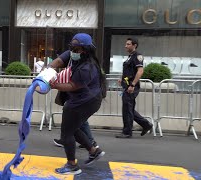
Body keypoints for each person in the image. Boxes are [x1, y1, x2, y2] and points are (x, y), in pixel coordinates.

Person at [49, 33, 105, 175]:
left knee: (67, 132)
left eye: (77, 49)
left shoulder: (87, 67)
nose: (73, 52)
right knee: (74, 128)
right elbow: (57, 62)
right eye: (72, 48)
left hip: (84, 102)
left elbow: (72, 85)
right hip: (84, 100)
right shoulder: (74, 54)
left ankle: (72, 165)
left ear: (85, 50)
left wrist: (54, 85)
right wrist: (47, 71)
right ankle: (94, 151)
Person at [115, 37, 153, 138]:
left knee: (127, 109)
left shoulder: (137, 56)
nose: (125, 46)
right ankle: (146, 124)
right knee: (129, 108)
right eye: (126, 44)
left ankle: (127, 132)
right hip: (127, 85)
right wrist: (121, 79)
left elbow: (140, 71)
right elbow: (129, 71)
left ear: (134, 45)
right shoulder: (130, 56)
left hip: (131, 87)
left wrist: (132, 85)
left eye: (128, 44)